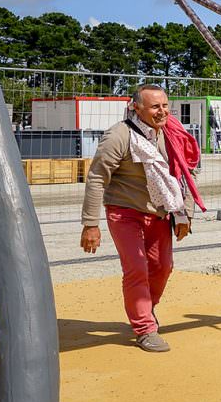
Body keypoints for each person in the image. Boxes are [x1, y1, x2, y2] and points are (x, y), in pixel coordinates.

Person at [82, 84, 195, 352]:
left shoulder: (172, 135)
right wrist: (90, 224)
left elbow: (185, 173)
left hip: (158, 213)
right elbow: (98, 177)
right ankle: (145, 328)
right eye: (155, 106)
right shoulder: (119, 135)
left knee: (162, 267)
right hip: (125, 212)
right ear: (136, 107)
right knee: (136, 268)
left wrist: (185, 213)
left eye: (165, 105)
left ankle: (146, 310)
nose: (162, 111)